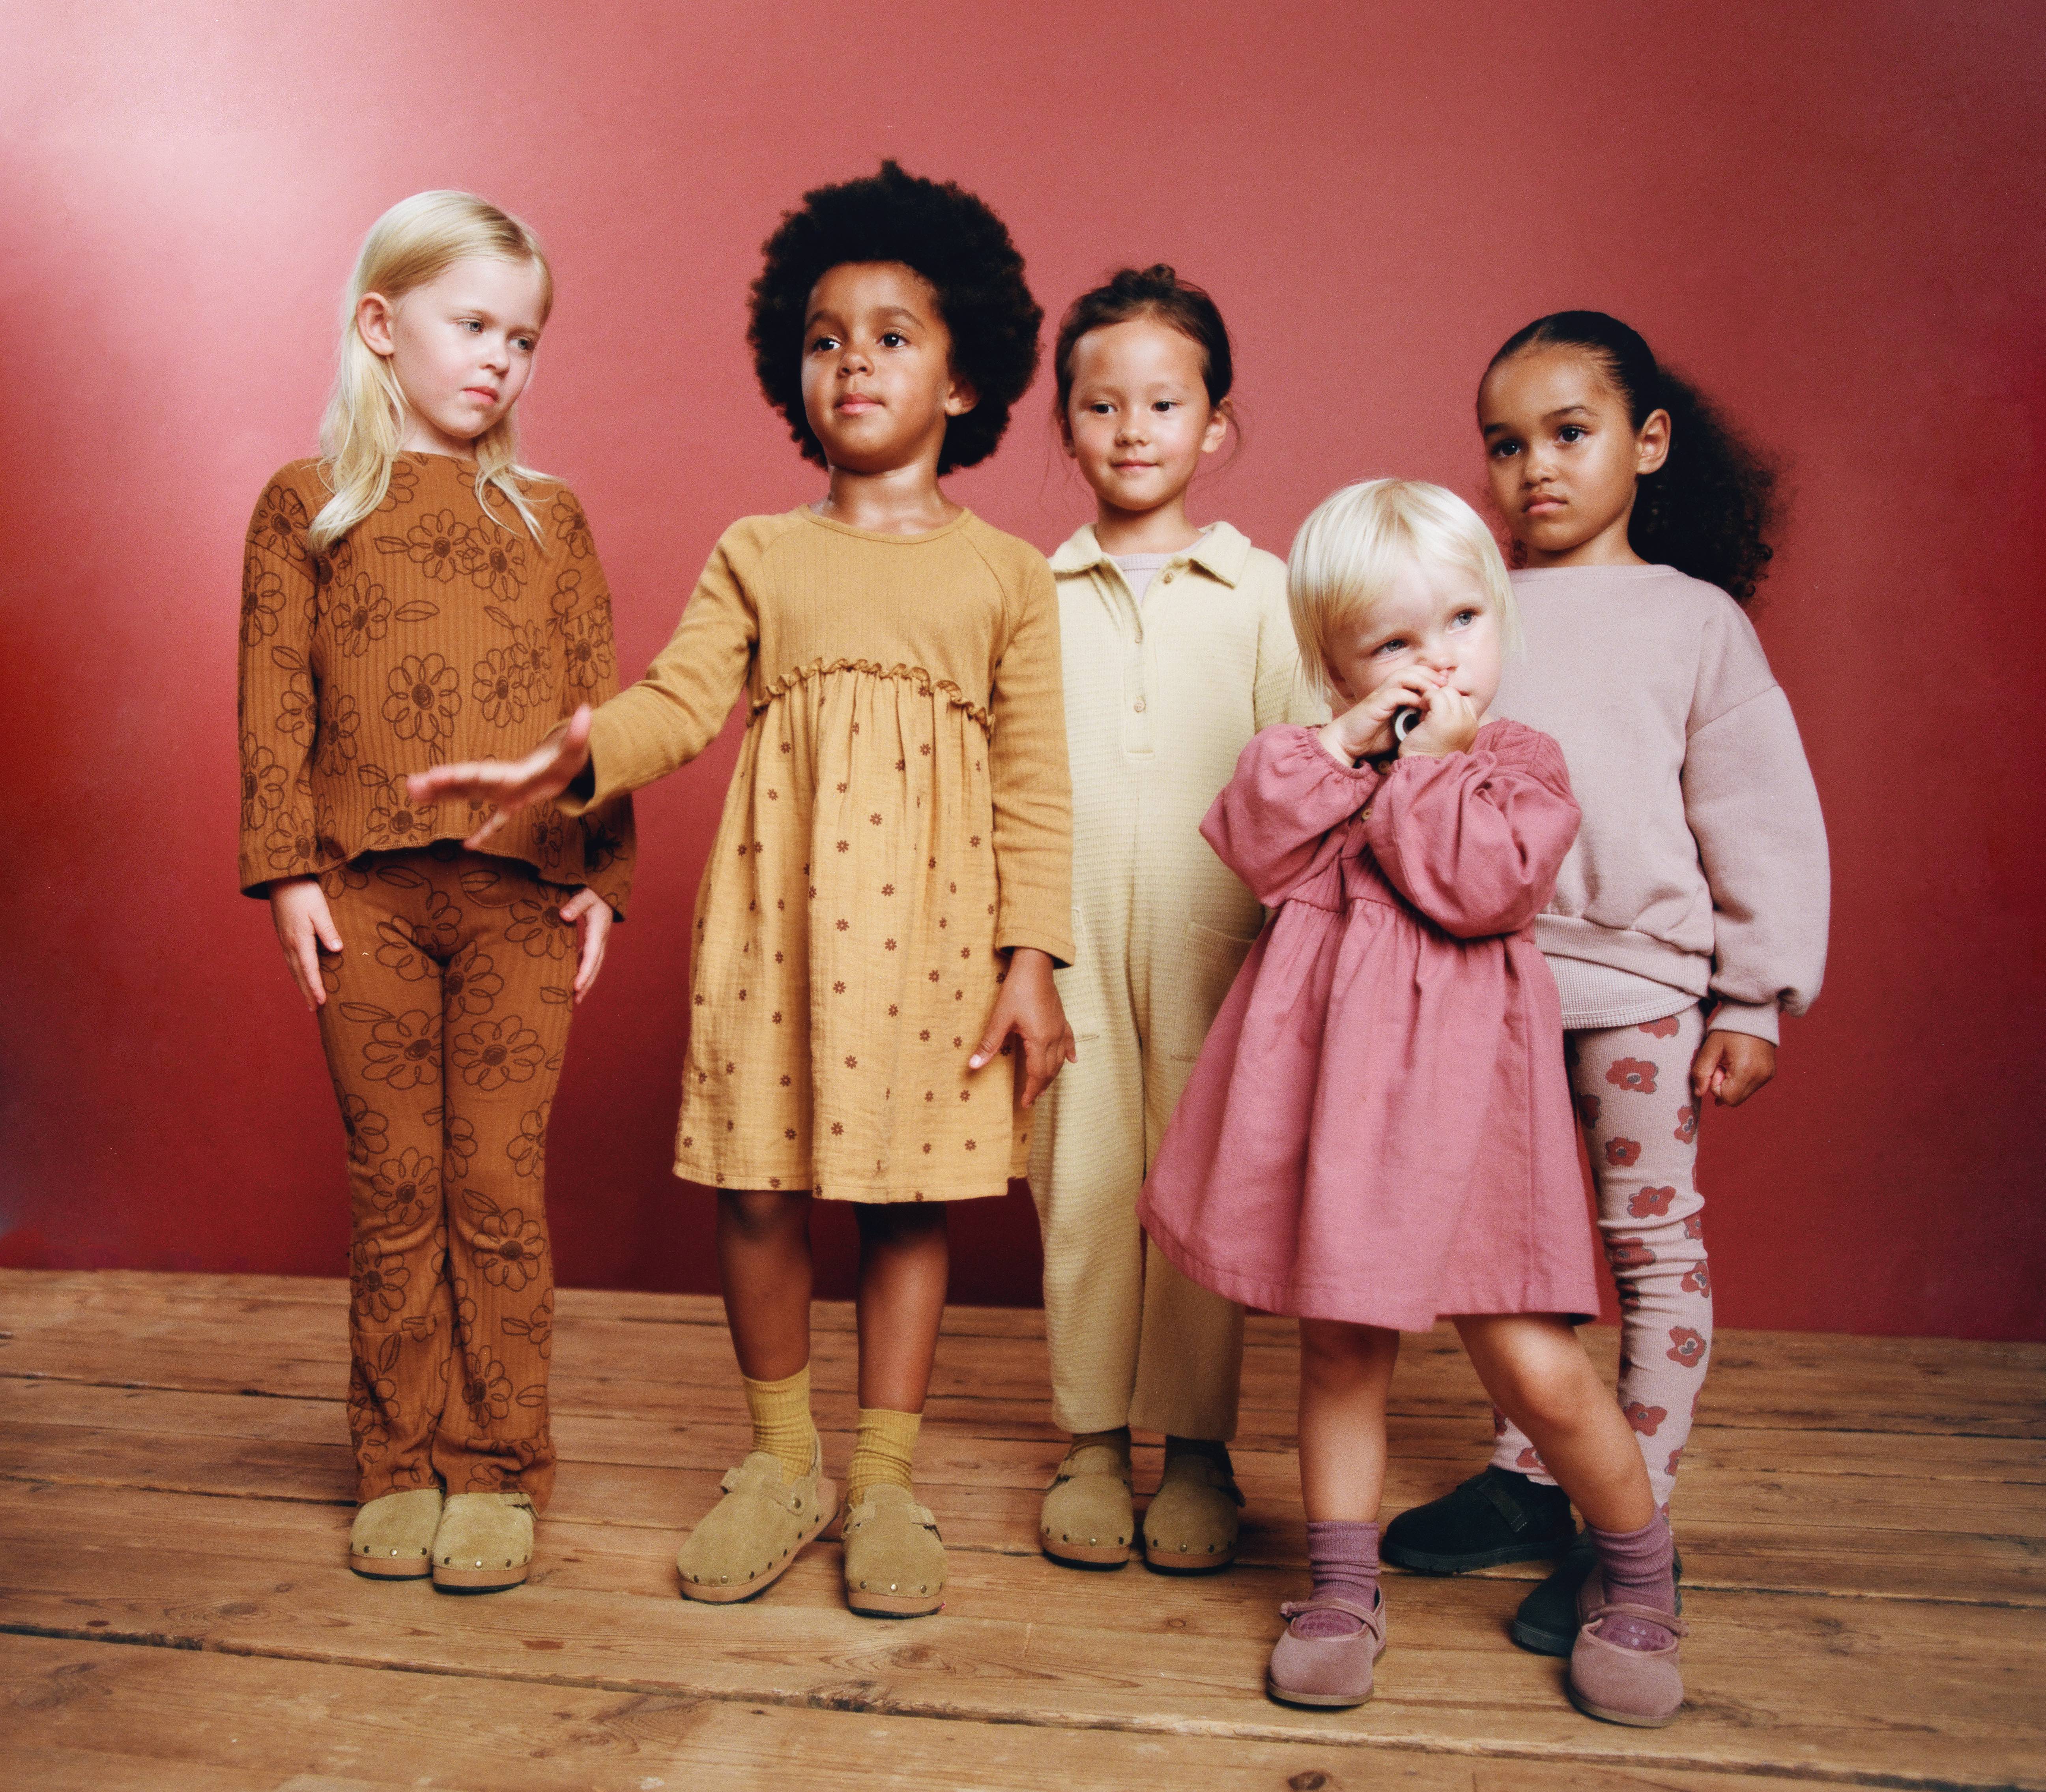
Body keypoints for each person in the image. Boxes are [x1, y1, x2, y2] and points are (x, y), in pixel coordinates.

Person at [408, 162, 1073, 1620]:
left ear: (966, 378)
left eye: (893, 337)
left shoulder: (1010, 576)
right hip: (781, 930)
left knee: (906, 1204)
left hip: (937, 944)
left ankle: (883, 1477)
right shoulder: (759, 552)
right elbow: (677, 700)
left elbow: (1036, 783)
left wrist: (1031, 959)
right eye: (826, 338)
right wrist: (576, 753)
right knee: (760, 1187)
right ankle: (782, 1461)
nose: (855, 362)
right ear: (792, 367)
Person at [1139, 479, 1689, 1725]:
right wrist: (1344, 745)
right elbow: (1251, 838)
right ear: (1335, 663)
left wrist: (1429, 768)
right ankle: (1340, 1590)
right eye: (1392, 642)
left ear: (1498, 616)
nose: (1436, 661)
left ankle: (1637, 1573)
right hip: (1334, 1115)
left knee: (1532, 1363)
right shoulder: (1319, 765)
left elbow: (1475, 888)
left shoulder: (1517, 769)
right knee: (1338, 1346)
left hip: (1469, 1123)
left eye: (1459, 622)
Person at [1384, 311, 1828, 1657]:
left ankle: (1631, 1516)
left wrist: (1750, 1000)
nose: (1535, 468)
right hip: (1487, 991)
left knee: (1650, 1250)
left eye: (1568, 434)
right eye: (1504, 444)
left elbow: (1758, 814)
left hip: (1639, 995)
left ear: (1647, 442)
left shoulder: (1695, 622)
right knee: (1506, 1255)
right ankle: (1529, 1480)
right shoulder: (1474, 614)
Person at [238, 190, 634, 1592]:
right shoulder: (305, 507)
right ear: (379, 325)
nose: (499, 360)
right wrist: (285, 871)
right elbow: (273, 700)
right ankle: (397, 1460)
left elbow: (595, 713)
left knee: (497, 1184)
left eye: (522, 339)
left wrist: (606, 877)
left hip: (525, 898)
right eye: (472, 325)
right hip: (364, 895)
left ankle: (500, 1466)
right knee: (396, 1181)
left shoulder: (549, 517)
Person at [1029, 266, 1318, 1574]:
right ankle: (1092, 1439)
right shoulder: (1027, 594)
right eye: (1102, 406)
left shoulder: (1265, 594)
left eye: (1163, 403)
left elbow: (1306, 772)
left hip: (1226, 955)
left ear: (1214, 426)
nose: (1132, 429)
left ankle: (1198, 1448)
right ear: (1066, 426)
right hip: (1068, 947)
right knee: (1084, 1190)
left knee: (1205, 1201)